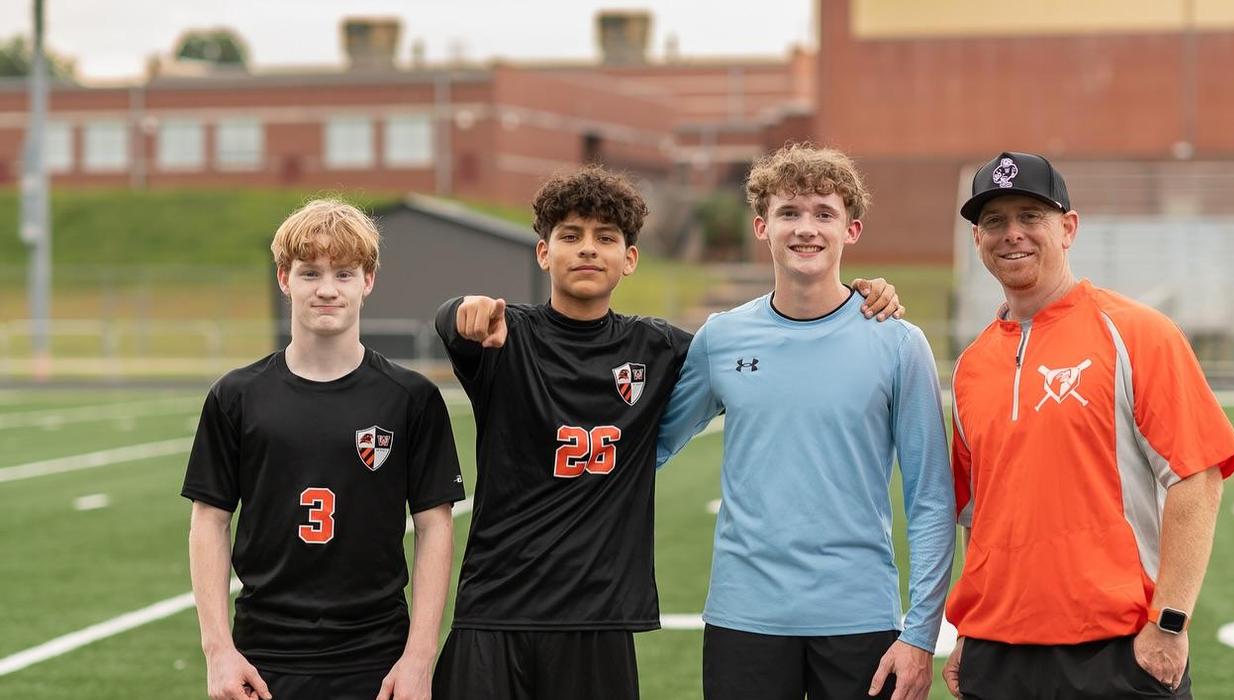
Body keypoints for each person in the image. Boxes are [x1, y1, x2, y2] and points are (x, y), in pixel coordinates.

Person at [430, 165, 902, 700]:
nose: (588, 249)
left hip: (599, 616)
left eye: (605, 238)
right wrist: (460, 312)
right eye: (570, 236)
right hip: (495, 608)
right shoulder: (505, 334)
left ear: (629, 259)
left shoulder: (656, 346)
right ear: (543, 252)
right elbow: (455, 324)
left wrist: (859, 293)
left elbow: (758, 343)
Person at [941, 152, 1234, 699]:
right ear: (977, 239)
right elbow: (976, 514)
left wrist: (1170, 622)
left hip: (1115, 653)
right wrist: (970, 629)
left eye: (1030, 216)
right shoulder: (971, 366)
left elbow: (1198, 479)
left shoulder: (1137, 333)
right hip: (997, 657)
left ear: (1068, 227)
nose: (1012, 233)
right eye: (994, 221)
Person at [657, 144, 955, 700]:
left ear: (853, 230)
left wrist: (920, 633)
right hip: (744, 616)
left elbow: (931, 499)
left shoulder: (898, 342)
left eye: (824, 213)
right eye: (788, 213)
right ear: (761, 227)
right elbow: (652, 446)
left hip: (860, 618)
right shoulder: (722, 339)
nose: (806, 229)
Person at [183, 199, 463, 700]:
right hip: (265, 655)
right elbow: (210, 520)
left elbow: (434, 526)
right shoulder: (237, 396)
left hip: (377, 655)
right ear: (284, 279)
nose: (328, 289)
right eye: (310, 273)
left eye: (344, 273)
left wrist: (420, 657)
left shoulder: (411, 398)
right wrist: (218, 651)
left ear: (368, 280)